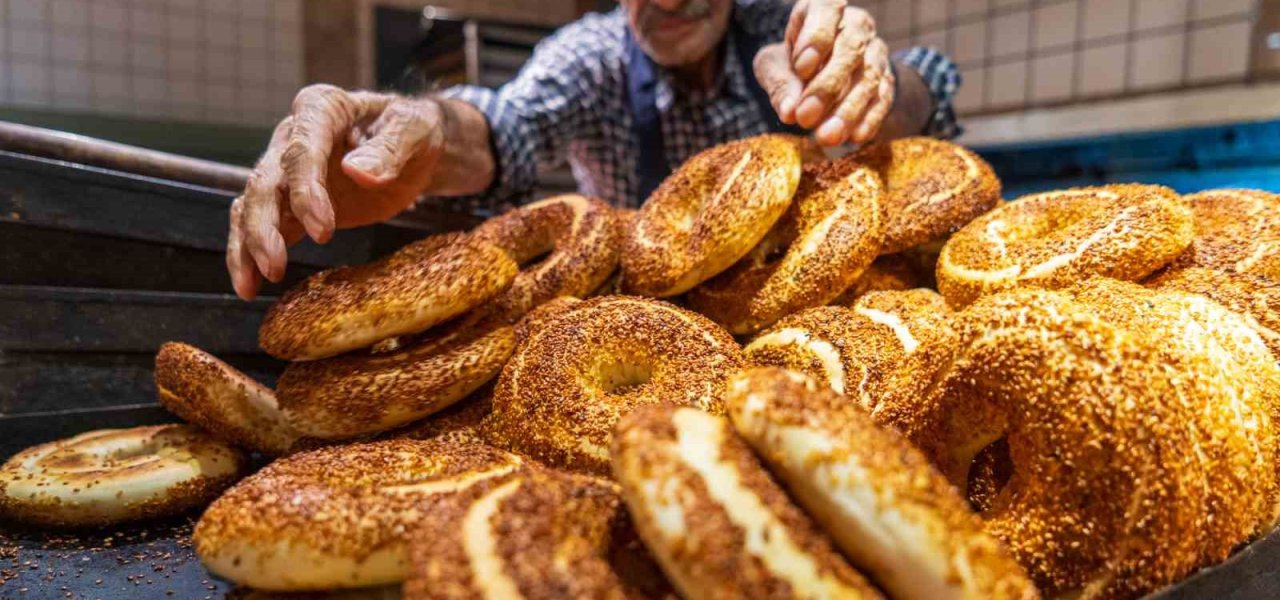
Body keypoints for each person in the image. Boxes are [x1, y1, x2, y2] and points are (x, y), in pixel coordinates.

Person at [226, 0, 962, 300]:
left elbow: (923, 86)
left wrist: (872, 89)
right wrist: (424, 138)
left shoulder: (780, 31)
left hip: (805, 317)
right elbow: (500, 131)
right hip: (639, 325)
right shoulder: (591, 59)